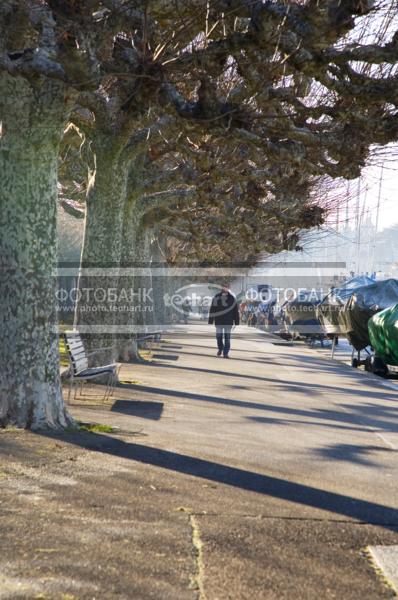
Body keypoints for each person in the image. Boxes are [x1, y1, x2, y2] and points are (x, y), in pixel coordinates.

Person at [208, 283, 239, 358]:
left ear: (229, 288)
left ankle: (225, 353)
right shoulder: (216, 297)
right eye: (224, 287)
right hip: (219, 320)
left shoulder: (232, 298)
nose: (225, 288)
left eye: (227, 287)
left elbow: (235, 311)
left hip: (228, 321)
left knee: (227, 338)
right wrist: (211, 320)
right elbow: (212, 309)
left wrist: (237, 321)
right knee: (218, 336)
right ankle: (220, 348)